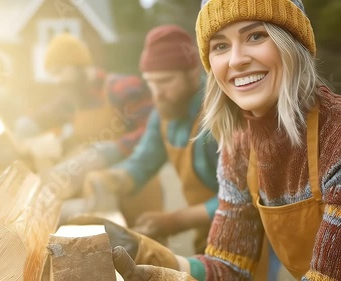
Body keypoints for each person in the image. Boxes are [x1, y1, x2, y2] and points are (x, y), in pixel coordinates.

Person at [111, 0, 341, 280]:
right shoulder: (240, 146)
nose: (236, 60)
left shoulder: (336, 137)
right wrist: (154, 259)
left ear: (293, 43)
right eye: (220, 46)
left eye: (256, 36)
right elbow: (228, 266)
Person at [82, 24, 219, 256]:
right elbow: (144, 160)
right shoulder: (166, 110)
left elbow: (244, 198)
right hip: (208, 230)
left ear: (193, 72)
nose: (157, 93)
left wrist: (175, 221)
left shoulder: (220, 114)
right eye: (151, 83)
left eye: (165, 81)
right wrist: (114, 178)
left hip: (252, 232)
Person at [15, 32, 163, 224]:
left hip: (136, 190)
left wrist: (111, 150)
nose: (58, 81)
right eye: (53, 75)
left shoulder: (122, 87)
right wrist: (25, 125)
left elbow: (155, 131)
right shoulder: (72, 98)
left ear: (79, 66)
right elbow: (43, 115)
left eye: (60, 71)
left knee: (147, 248)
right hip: (99, 193)